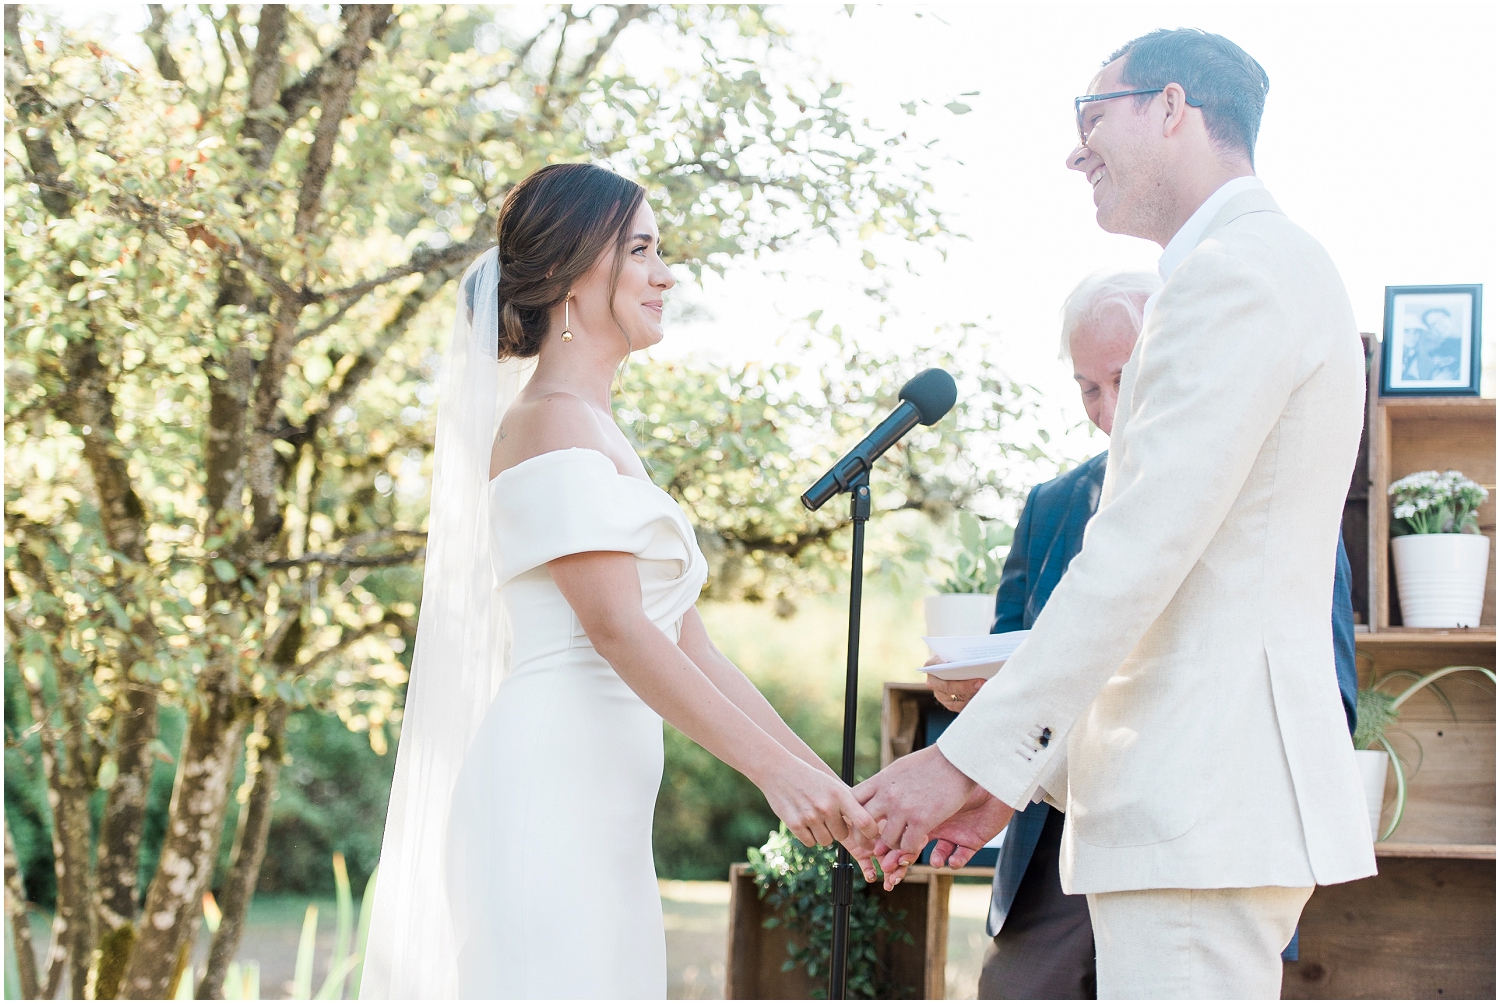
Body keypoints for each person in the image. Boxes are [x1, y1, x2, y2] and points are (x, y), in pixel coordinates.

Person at [850, 29, 1376, 999]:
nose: (1075, 148)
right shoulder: (1254, 266)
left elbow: (1136, 554)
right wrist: (1012, 782)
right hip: (1193, 810)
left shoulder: (1237, 272)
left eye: (1090, 116)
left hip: (1197, 809)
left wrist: (961, 760)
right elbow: (1180, 586)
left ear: (1171, 108)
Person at [360, 163, 876, 999]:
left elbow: (689, 642)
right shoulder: (551, 422)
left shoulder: (596, 429)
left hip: (600, 809)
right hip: (546, 796)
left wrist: (819, 779)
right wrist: (774, 780)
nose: (666, 274)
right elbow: (618, 629)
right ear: (569, 273)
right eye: (641, 250)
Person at [926, 270, 1360, 999]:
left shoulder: (1280, 497)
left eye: (1125, 378)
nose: (1109, 410)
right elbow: (1016, 670)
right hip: (1050, 870)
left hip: (1194, 850)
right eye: (1088, 388)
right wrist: (979, 697)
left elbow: (1329, 699)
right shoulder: (1051, 505)